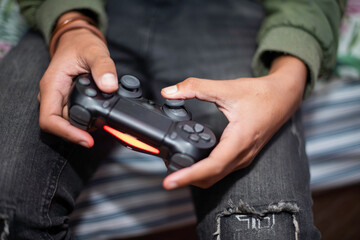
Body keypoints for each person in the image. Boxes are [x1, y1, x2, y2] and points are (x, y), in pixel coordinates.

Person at [0, 0, 346, 239]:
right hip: (90, 12)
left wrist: (288, 78)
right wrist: (68, 22)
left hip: (230, 15)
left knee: (264, 225)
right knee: (7, 205)